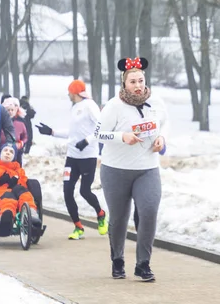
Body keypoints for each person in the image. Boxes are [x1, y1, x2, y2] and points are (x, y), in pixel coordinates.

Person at [95, 57, 167, 282]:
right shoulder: (114, 105)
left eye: (141, 80)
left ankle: (143, 264)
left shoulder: (156, 102)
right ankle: (117, 259)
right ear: (124, 84)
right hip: (115, 169)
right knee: (119, 218)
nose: (138, 85)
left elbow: (165, 124)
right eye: (132, 81)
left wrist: (162, 138)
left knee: (148, 211)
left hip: (147, 168)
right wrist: (122, 137)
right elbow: (98, 134)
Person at [35, 80, 108, 240]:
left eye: (69, 92)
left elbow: (101, 126)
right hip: (72, 157)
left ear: (75, 92)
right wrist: (52, 132)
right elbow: (73, 132)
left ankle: (101, 214)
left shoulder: (90, 105)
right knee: (67, 192)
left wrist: (87, 141)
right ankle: (78, 227)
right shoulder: (75, 108)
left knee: (84, 191)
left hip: (88, 156)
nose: (68, 94)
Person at [0, 143, 41, 236]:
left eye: (11, 152)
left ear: (14, 156)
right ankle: (6, 218)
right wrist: (2, 174)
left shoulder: (18, 169)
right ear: (0, 153)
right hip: (0, 191)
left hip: (16, 189)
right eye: (5, 151)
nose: (8, 153)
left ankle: (32, 213)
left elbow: (23, 180)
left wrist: (16, 181)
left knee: (25, 193)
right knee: (8, 198)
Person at [1, 97, 28, 165]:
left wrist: (21, 143)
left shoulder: (20, 123)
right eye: (8, 110)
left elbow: (25, 136)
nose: (10, 112)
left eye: (12, 110)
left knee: (16, 169)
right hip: (1, 151)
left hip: (17, 151)